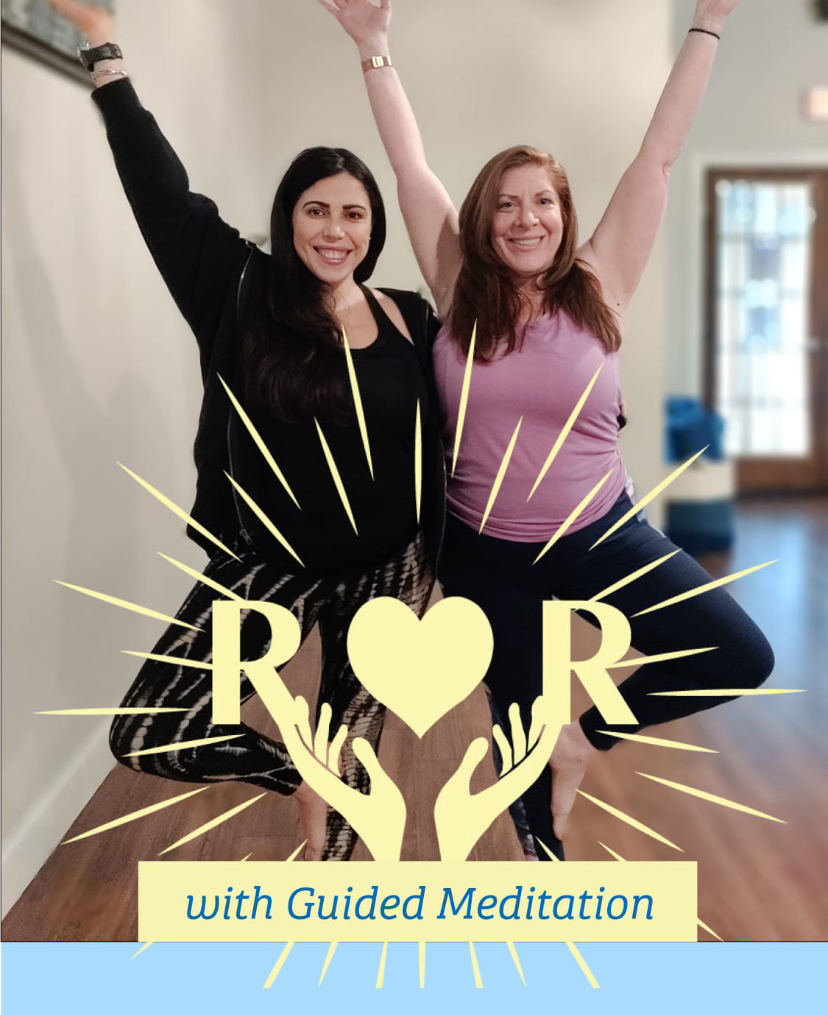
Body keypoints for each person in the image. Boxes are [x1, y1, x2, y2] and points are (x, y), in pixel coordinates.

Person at [324, 0, 774, 860]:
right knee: (523, 758)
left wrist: (709, 20)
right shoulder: (458, 287)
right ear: (485, 220)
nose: (527, 218)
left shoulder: (600, 285)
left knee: (735, 650)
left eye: (544, 203)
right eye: (507, 205)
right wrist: (374, 47)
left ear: (566, 215)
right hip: (488, 551)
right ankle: (544, 866)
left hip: (601, 533)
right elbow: (409, 164)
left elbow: (659, 151)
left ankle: (584, 736)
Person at [46, 0, 446, 861]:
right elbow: (159, 189)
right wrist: (99, 44)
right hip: (271, 570)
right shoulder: (239, 288)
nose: (335, 231)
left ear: (374, 229)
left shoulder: (412, 317)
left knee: (350, 778)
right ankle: (298, 773)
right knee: (154, 728)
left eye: (354, 215)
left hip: (387, 573)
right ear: (288, 215)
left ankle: (333, 934)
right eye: (316, 210)